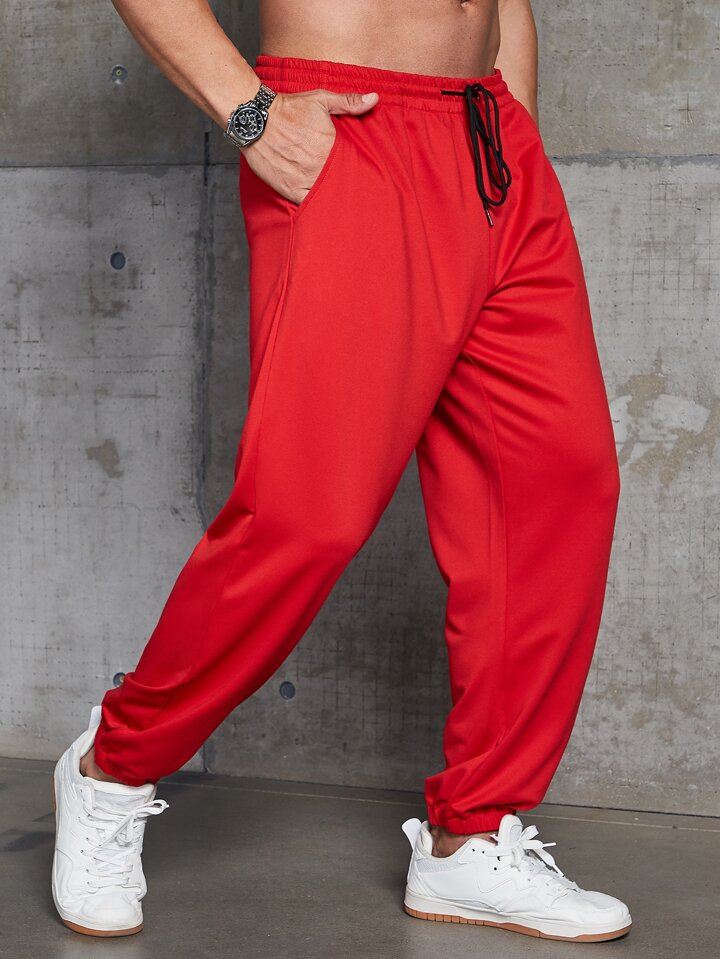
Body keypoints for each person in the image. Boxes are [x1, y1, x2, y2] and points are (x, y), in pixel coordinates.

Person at [51, 0, 632, 943]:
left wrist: (513, 125)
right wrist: (252, 114)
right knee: (305, 516)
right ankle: (111, 769)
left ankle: (471, 835)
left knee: (553, 488)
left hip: (490, 141)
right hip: (354, 131)